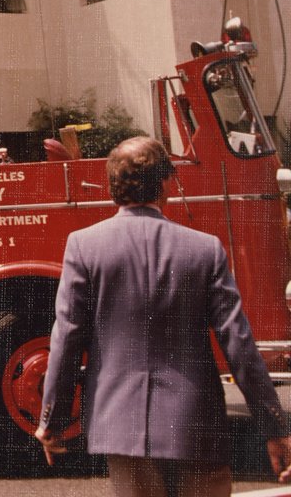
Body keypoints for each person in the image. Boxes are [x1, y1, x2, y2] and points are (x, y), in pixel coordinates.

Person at [36, 136, 291, 496]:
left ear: (112, 188)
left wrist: (52, 419)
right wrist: (275, 427)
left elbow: (66, 339)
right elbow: (240, 346)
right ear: (165, 185)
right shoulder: (205, 250)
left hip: (121, 427)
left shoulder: (83, 246)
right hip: (195, 423)